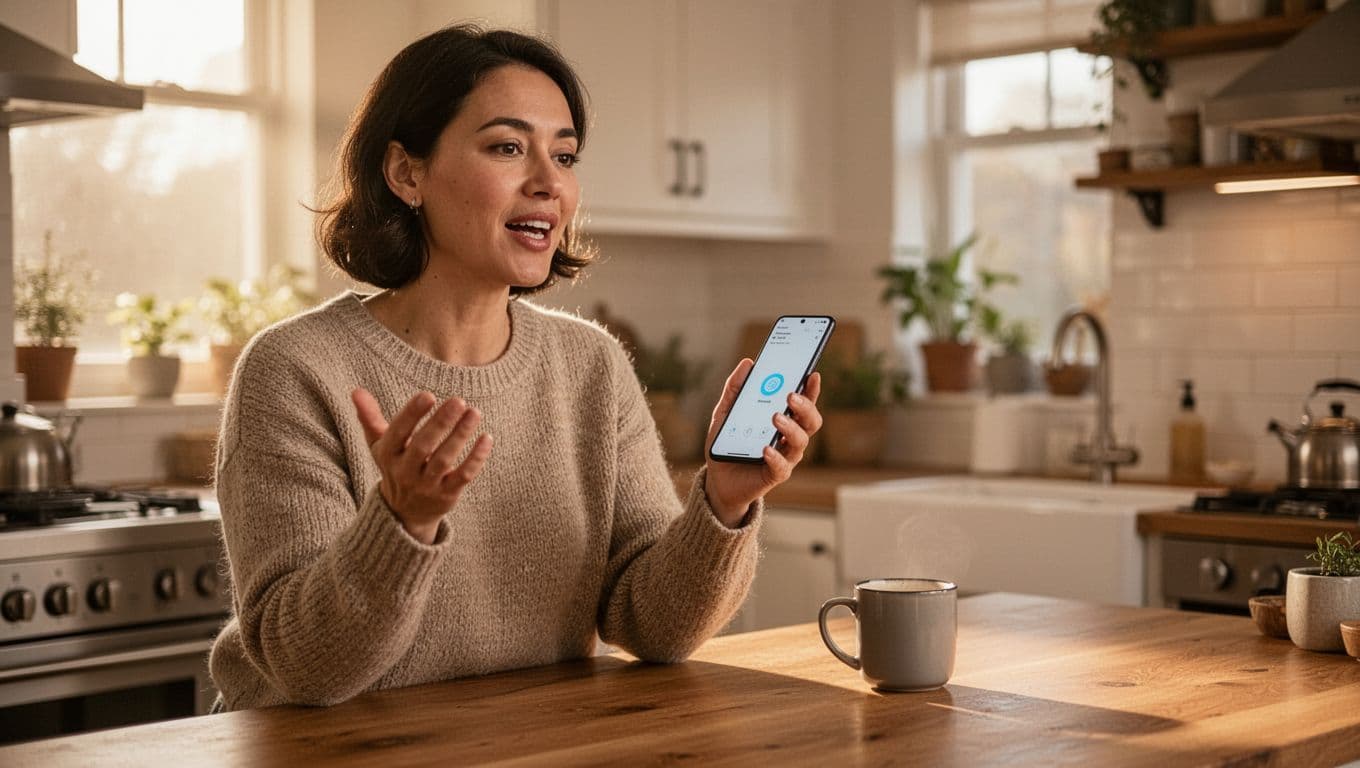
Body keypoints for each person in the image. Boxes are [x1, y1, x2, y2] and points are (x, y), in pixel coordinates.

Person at [207, 24, 824, 711]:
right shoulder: (295, 369)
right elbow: (307, 670)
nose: (548, 184)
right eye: (507, 148)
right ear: (406, 173)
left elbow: (652, 628)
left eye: (564, 156)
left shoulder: (590, 365)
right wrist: (401, 523)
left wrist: (725, 502)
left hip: (523, 744)